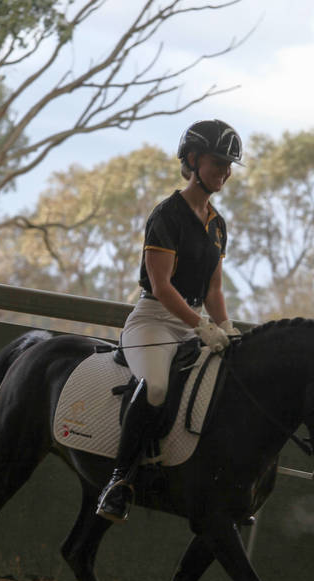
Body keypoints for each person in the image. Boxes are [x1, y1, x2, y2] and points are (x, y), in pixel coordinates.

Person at [96, 119, 244, 523]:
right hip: (154, 320)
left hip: (194, 323)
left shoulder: (217, 225)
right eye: (219, 162)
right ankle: (118, 480)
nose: (225, 172)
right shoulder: (167, 215)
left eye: (230, 165)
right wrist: (201, 326)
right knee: (157, 386)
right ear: (193, 160)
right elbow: (161, 287)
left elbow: (214, 290)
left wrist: (226, 327)